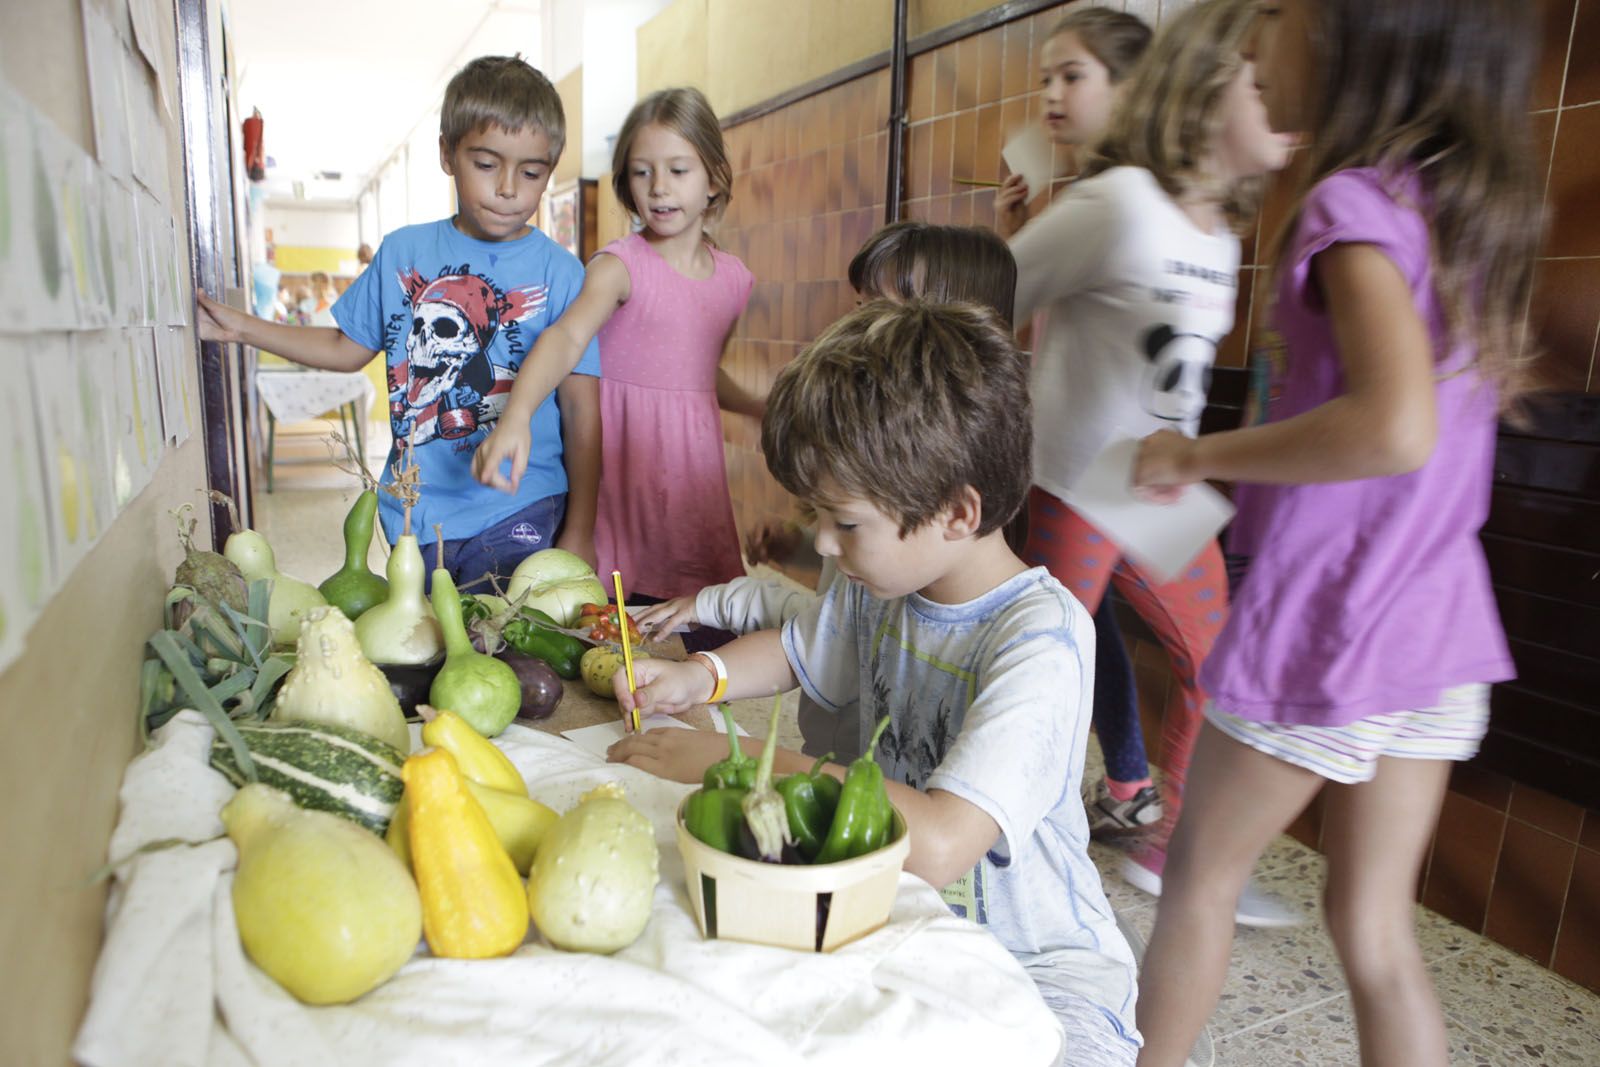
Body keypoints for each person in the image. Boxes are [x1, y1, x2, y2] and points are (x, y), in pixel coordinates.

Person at [1128, 1, 1541, 1063]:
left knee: (1198, 875)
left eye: (1282, 14)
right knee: (1374, 928)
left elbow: (1391, 426)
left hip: (1334, 616)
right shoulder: (1457, 208)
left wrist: (1193, 454)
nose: (1260, 39)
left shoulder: (1348, 204)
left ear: (1362, 37)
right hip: (1439, 623)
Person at [611, 300, 1141, 1066]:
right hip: (906, 934)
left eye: (845, 522)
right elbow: (801, 650)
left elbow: (938, 841)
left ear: (958, 513)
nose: (822, 542)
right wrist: (703, 677)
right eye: (817, 515)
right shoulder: (879, 586)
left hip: (1042, 979)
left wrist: (741, 765)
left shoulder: (1041, 640)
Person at [1008, 0, 1299, 925]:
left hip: (1155, 485)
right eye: (1264, 79)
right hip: (1076, 478)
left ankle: (1171, 843)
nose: (1291, 94)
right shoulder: (1117, 203)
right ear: (1208, 97)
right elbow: (991, 290)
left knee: (1220, 660)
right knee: (1045, 667)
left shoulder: (1221, 235)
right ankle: (1016, 834)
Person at [198, 55, 601, 587]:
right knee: (435, 649)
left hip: (521, 508)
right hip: (414, 513)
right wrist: (242, 328)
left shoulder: (561, 274)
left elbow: (582, 411)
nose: (509, 188)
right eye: (486, 164)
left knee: (506, 651)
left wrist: (582, 529)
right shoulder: (402, 252)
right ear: (447, 154)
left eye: (531, 172)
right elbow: (347, 347)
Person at [631, 220, 1021, 760]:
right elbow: (816, 638)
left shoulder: (1029, 643)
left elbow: (945, 831)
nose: (855, 329)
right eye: (858, 309)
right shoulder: (884, 581)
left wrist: (731, 756)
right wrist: (700, 673)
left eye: (879, 314)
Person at [472, 87, 760, 626]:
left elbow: (699, 375)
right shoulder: (618, 267)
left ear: (714, 178)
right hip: (623, 478)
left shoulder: (735, 281)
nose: (658, 188)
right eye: (641, 172)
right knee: (614, 632)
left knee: (699, 627)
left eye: (678, 170)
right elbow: (563, 338)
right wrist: (515, 416)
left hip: (692, 483)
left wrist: (760, 407)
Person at [995, 5, 1162, 839]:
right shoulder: (1115, 199)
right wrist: (1021, 232)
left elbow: (997, 297)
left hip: (1108, 476)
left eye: (1074, 76)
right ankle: (1121, 788)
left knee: (1061, 638)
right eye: (1047, 79)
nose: (1052, 96)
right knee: (1082, 626)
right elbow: (1019, 307)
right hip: (1115, 471)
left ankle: (1055, 806)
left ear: (1131, 91)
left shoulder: (1111, 201)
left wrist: (1015, 244)